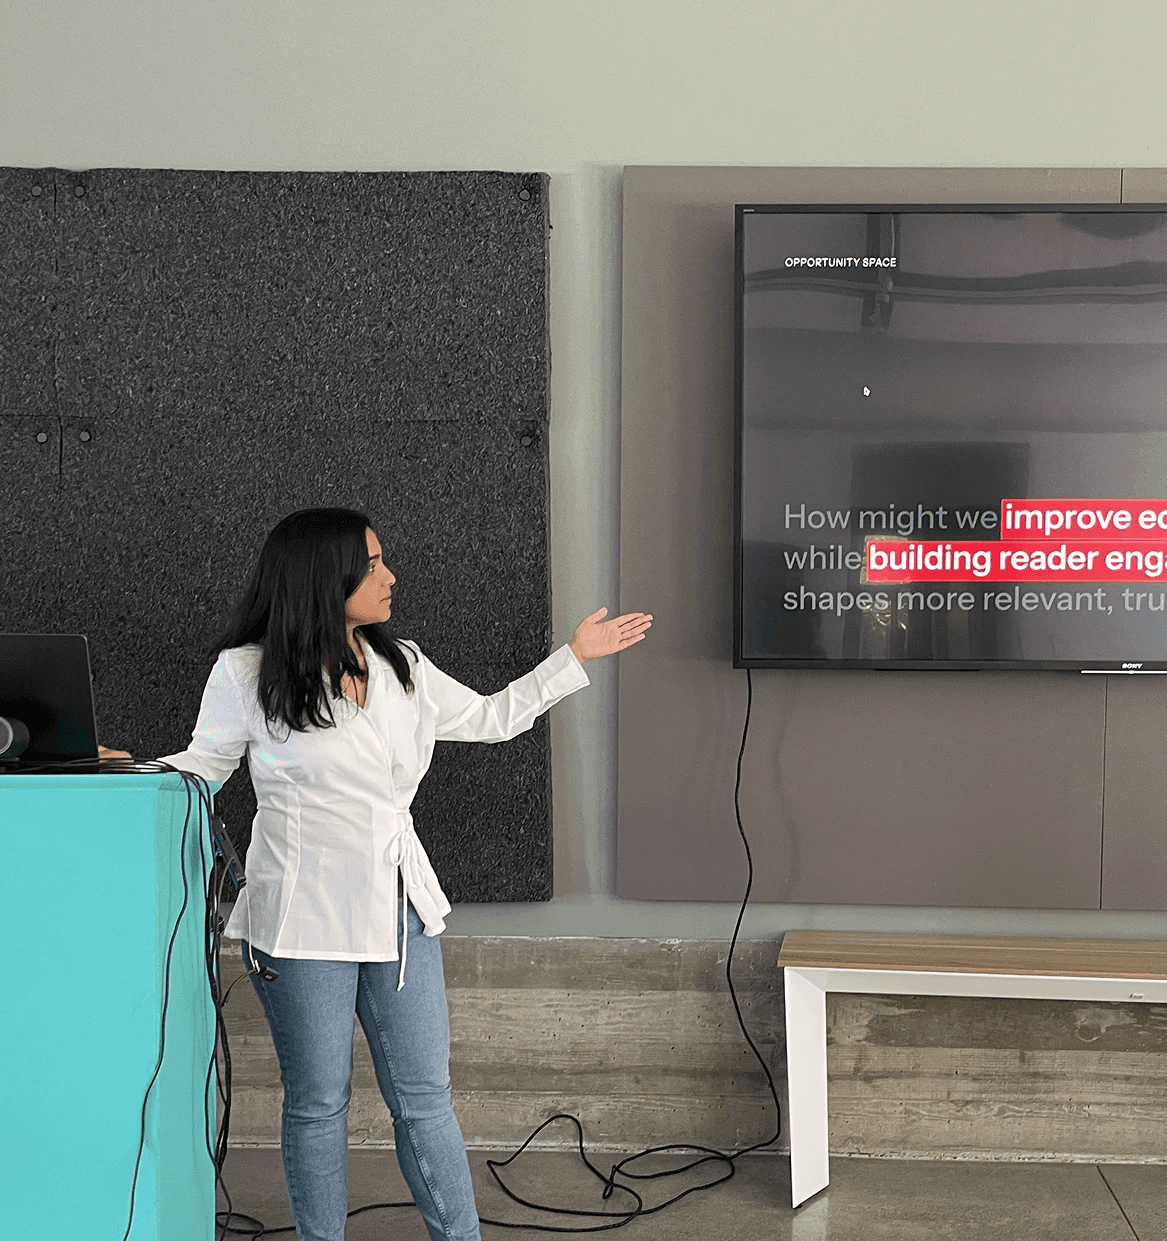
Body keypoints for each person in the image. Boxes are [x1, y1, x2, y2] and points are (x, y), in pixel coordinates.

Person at [101, 506, 650, 1241]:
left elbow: (493, 717)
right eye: (372, 564)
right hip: (299, 921)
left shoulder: (404, 666)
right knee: (318, 1103)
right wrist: (126, 769)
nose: (390, 576)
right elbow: (201, 768)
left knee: (425, 1099)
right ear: (323, 578)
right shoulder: (247, 672)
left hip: (399, 912)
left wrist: (573, 656)